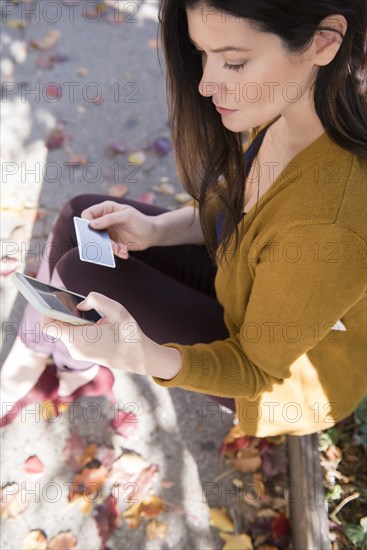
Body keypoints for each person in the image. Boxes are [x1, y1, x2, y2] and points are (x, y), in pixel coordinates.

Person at [1, 0, 366, 435]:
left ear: (323, 41)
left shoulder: (327, 223)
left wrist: (139, 355)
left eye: (233, 62)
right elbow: (243, 209)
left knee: (79, 269)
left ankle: (62, 365)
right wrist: (159, 229)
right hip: (239, 283)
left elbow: (256, 372)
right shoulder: (294, 104)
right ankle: (54, 362)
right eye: (202, 54)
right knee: (82, 216)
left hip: (270, 377)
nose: (206, 84)